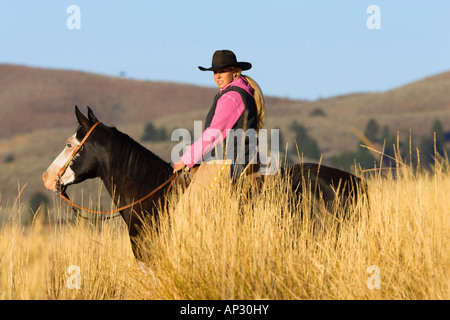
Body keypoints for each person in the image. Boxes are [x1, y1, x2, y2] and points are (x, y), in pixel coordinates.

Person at [173, 50, 265, 180]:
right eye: (215, 72)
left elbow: (214, 133)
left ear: (234, 72)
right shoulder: (241, 92)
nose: (218, 76)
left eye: (222, 71)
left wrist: (187, 159)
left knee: (191, 198)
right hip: (240, 159)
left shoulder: (232, 96)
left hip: (230, 163)